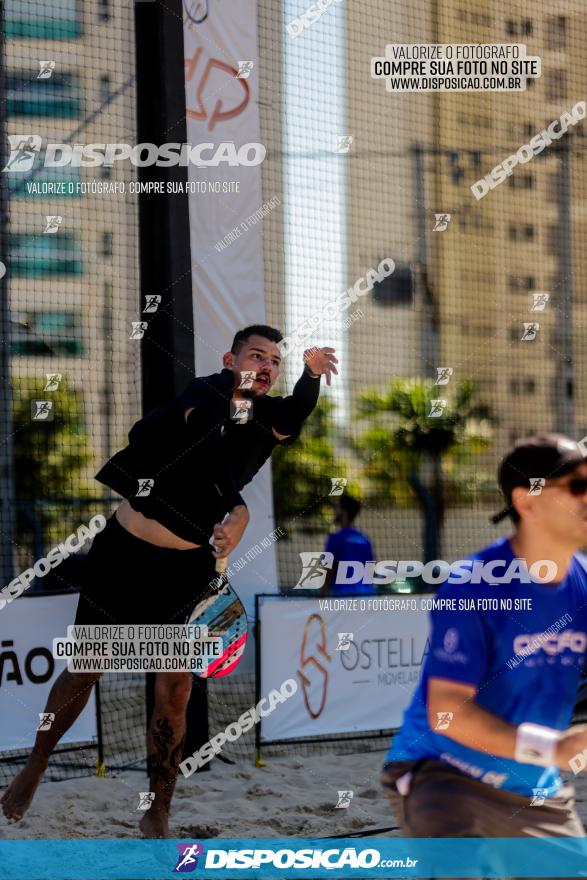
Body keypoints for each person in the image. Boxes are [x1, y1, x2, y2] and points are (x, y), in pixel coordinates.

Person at [1, 324, 337, 837]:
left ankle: (158, 808)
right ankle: (36, 765)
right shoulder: (204, 393)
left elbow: (294, 413)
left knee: (174, 690)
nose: (266, 364)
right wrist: (239, 508)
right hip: (124, 558)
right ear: (231, 360)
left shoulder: (266, 416)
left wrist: (311, 376)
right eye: (255, 354)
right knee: (86, 670)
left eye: (275, 359)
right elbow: (208, 448)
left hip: (186, 571)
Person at [381, 433, 587, 839]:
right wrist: (554, 748)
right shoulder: (474, 585)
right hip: (444, 775)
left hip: (534, 789)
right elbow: (447, 712)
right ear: (528, 502)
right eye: (579, 486)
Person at [323, 495, 375, 595]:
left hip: (342, 596)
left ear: (344, 512)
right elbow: (371, 568)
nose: (335, 511)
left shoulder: (335, 538)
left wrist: (323, 593)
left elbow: (328, 568)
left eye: (337, 507)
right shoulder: (365, 539)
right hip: (366, 595)